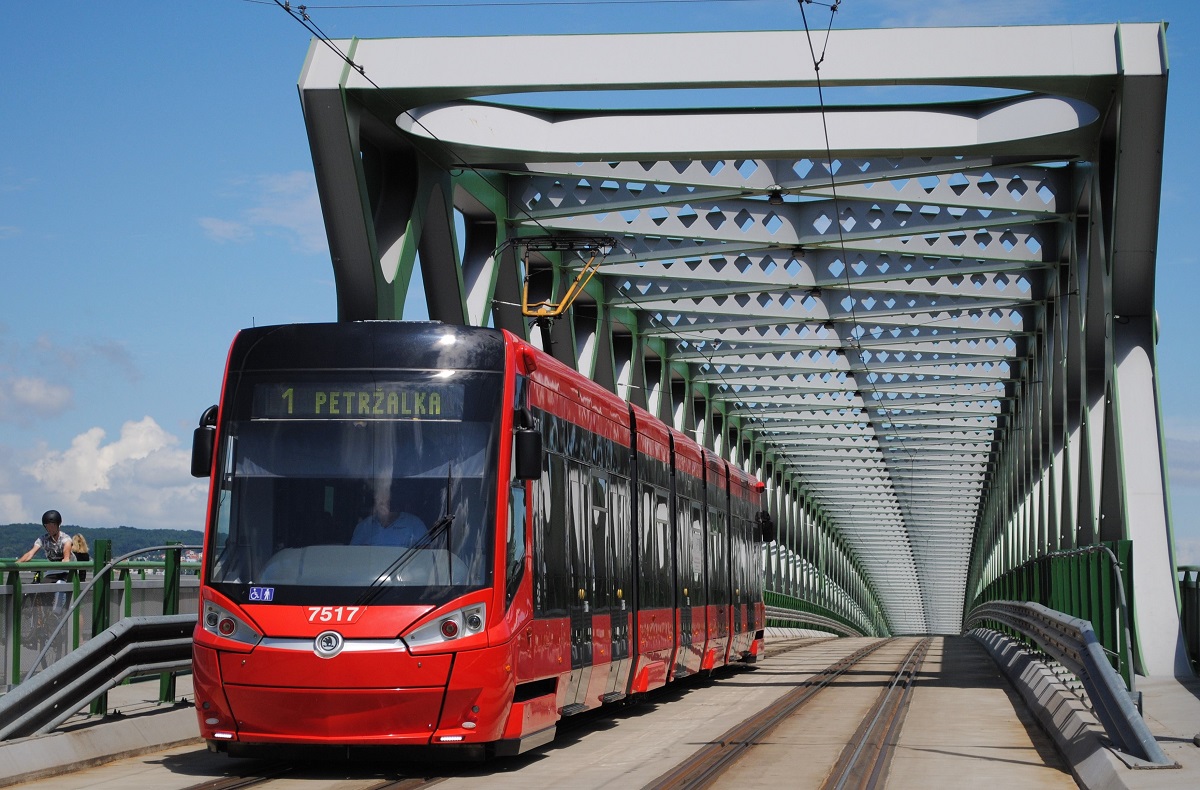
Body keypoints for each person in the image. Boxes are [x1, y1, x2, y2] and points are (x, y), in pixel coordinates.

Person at [18, 510, 73, 611]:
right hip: (52, 572)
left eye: (53, 525)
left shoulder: (65, 539)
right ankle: (44, 615)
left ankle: (58, 613)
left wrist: (65, 559)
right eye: (47, 526)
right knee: (42, 588)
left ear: (58, 525)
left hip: (67, 572)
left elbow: (67, 554)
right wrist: (16, 564)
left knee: (60, 586)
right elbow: (30, 554)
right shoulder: (43, 539)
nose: (50, 528)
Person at [350, 487, 427, 547]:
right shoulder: (364, 526)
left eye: (387, 498)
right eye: (380, 500)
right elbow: (353, 554)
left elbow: (426, 555)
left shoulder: (414, 523)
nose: (384, 504)